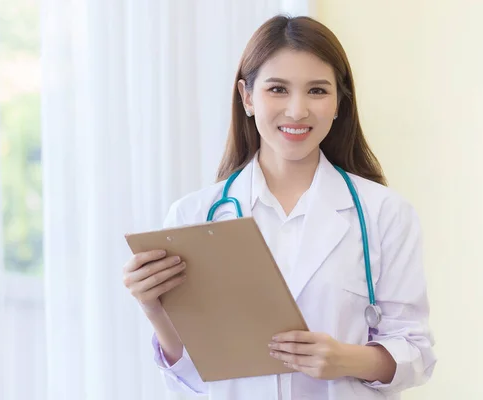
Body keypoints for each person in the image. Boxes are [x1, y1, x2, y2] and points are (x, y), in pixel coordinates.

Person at [122, 14, 436, 400]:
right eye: (278, 89)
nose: (297, 110)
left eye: (317, 91)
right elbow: (191, 375)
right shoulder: (192, 217)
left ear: (339, 101)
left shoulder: (385, 214)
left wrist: (346, 359)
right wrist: (153, 308)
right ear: (247, 97)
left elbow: (416, 352)